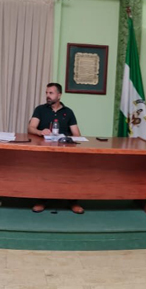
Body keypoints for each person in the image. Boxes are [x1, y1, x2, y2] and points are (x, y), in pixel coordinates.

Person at [29, 82, 84, 214]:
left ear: (59, 95)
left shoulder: (68, 112)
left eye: (51, 93)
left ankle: (73, 201)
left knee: (73, 171)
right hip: (44, 149)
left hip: (64, 150)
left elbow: (77, 134)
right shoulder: (40, 109)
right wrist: (40, 132)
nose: (48, 96)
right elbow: (31, 128)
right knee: (43, 170)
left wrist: (68, 139)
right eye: (46, 93)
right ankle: (41, 200)